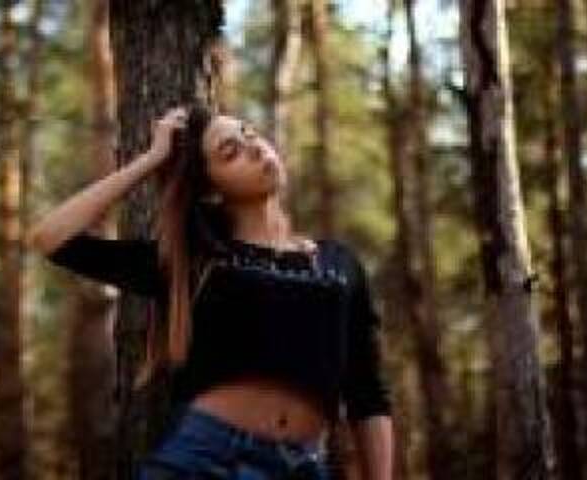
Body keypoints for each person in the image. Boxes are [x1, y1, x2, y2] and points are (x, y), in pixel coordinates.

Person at [26, 104, 394, 479]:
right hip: (207, 460)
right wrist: (150, 161)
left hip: (305, 467)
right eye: (230, 152)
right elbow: (51, 237)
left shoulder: (339, 263)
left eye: (250, 134)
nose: (254, 147)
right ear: (211, 190)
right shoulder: (191, 261)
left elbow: (368, 395)